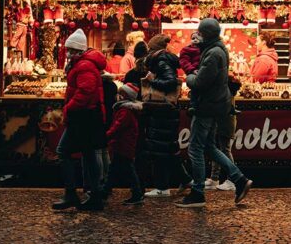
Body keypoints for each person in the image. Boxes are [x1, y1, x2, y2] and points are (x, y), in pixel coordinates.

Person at [176, 19, 252, 208]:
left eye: (200, 32)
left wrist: (190, 75)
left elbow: (199, 82)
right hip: (215, 104)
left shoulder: (213, 54)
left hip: (206, 106)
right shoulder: (217, 49)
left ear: (206, 34)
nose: (198, 35)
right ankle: (239, 179)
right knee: (209, 146)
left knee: (195, 148)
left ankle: (198, 193)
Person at [52, 29, 107, 212]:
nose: (67, 53)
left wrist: (69, 107)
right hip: (88, 116)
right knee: (89, 154)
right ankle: (95, 195)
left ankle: (71, 193)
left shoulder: (84, 66)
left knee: (63, 151)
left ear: (76, 49)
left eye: (69, 49)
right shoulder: (84, 64)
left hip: (83, 117)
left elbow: (85, 91)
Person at [141, 34, 191, 198]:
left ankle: (162, 187)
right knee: (167, 148)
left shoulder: (161, 61)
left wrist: (152, 80)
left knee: (160, 149)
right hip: (165, 110)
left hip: (162, 109)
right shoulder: (164, 59)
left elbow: (170, 82)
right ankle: (185, 179)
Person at [101, 83, 144, 205]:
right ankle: (105, 191)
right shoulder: (126, 109)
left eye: (120, 94)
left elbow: (117, 127)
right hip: (122, 144)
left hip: (122, 144)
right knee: (116, 169)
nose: (117, 96)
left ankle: (136, 194)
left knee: (126, 169)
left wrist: (106, 136)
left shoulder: (125, 111)